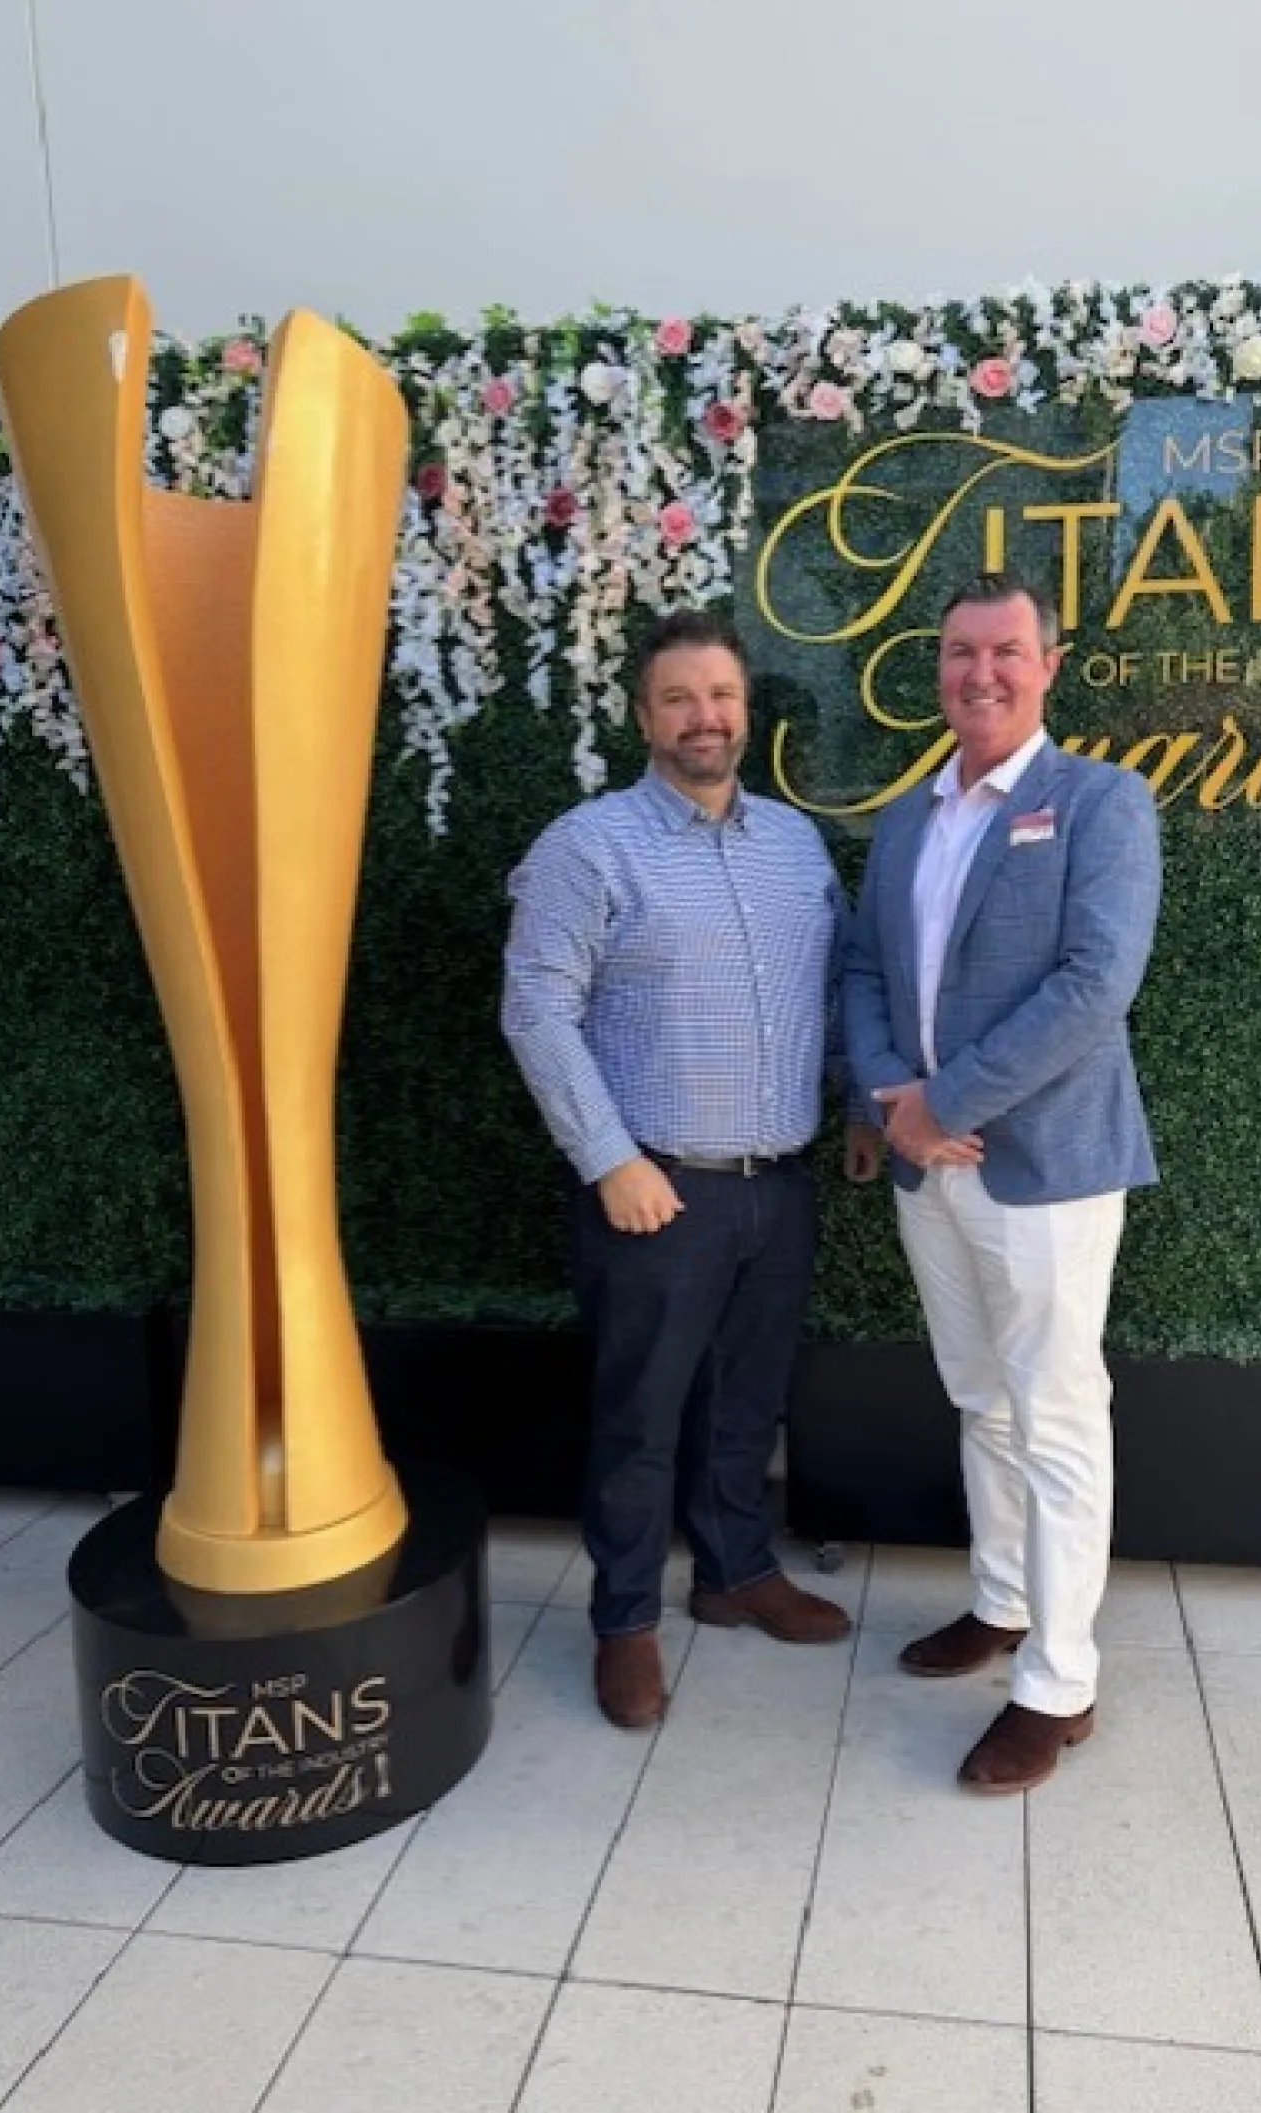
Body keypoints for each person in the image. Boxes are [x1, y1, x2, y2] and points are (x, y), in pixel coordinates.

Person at [503, 609, 879, 1731]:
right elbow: (535, 1006)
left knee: (744, 1403)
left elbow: (834, 982)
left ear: (744, 709)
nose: (704, 716)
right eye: (679, 697)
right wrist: (609, 1157)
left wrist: (859, 1100)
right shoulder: (590, 845)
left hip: (779, 1179)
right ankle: (625, 1620)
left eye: (719, 695)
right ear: (642, 715)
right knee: (639, 1418)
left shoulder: (793, 844)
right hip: (655, 1188)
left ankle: (733, 1572)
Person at [844, 570, 1162, 1795]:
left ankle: (1059, 1680)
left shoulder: (1099, 802)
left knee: (1056, 1410)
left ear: (1048, 663)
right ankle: (999, 1599)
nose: (982, 672)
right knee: (980, 1396)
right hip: (929, 1168)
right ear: (941, 668)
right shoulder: (906, 818)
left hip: (1044, 1168)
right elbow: (865, 971)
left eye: (1006, 652)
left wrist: (945, 1101)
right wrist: (891, 1101)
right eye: (961, 653)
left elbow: (1094, 985)